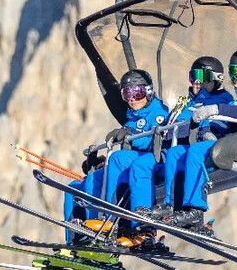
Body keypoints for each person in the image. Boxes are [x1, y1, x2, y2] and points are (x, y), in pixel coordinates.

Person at [170, 48, 237, 230]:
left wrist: (219, 109)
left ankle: (195, 211)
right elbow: (222, 121)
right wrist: (206, 130)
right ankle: (176, 208)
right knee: (176, 152)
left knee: (195, 151)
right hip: (229, 141)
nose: (234, 78)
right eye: (232, 72)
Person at [64, 69, 169, 241]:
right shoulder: (131, 117)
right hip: (133, 162)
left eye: (137, 92)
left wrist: (129, 133)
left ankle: (110, 219)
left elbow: (154, 142)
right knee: (81, 184)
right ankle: (78, 237)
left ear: (148, 92)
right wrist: (100, 164)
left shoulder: (159, 113)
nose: (132, 99)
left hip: (154, 161)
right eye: (127, 94)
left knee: (117, 159)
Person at [129, 56, 233, 221]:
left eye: (203, 77)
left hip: (199, 147)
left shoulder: (222, 100)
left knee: (174, 154)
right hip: (170, 148)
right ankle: (170, 207)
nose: (197, 82)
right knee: (163, 157)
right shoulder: (186, 102)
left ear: (217, 79)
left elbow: (217, 125)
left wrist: (202, 127)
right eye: (193, 76)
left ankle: (192, 211)